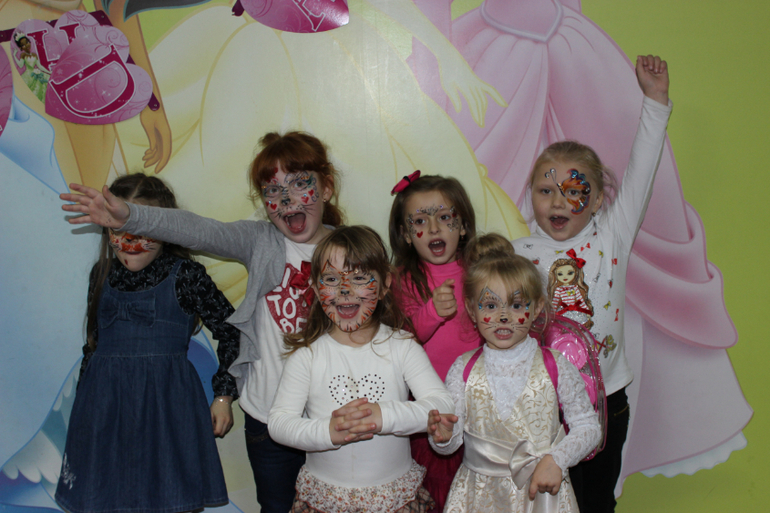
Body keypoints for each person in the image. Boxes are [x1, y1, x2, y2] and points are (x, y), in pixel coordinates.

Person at [60, 132, 344, 513]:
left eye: (299, 183)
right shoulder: (259, 241)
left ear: (326, 187)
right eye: (273, 191)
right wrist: (131, 216)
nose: (288, 199)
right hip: (268, 416)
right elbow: (198, 230)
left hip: (329, 411)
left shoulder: (351, 249)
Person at [512, 55, 670, 512]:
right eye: (546, 191)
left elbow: (642, 170)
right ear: (531, 195)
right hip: (544, 404)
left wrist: (655, 101)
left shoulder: (611, 235)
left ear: (598, 199)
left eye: (574, 190)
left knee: (596, 502)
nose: (558, 202)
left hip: (605, 400)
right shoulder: (517, 252)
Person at [54, 173, 237, 513]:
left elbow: (233, 332)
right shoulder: (101, 274)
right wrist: (84, 410)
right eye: (118, 231)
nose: (129, 243)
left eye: (141, 230)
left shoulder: (187, 276)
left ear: (165, 229)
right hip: (104, 410)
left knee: (168, 497)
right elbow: (93, 346)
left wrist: (223, 396)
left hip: (168, 411)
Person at [268, 226, 454, 512]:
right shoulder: (307, 356)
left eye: (358, 278)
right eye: (332, 279)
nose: (345, 290)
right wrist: (328, 431)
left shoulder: (402, 347)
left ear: (384, 284)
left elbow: (442, 406)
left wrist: (383, 416)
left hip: (396, 499)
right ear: (316, 288)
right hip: (325, 501)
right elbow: (280, 423)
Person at [428, 234, 600, 512]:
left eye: (517, 305)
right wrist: (443, 435)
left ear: (537, 307)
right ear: (471, 309)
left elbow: (589, 427)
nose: (504, 316)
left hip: (542, 497)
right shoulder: (462, 369)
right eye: (491, 306)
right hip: (478, 498)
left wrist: (557, 460)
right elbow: (451, 443)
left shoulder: (555, 365)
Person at [388, 173, 483, 511]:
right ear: (405, 234)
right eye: (419, 221)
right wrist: (431, 312)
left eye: (444, 217)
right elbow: (399, 341)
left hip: (479, 406)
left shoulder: (480, 273)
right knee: (437, 491)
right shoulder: (400, 281)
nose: (433, 228)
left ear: (463, 226)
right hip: (429, 409)